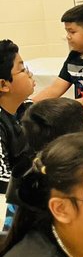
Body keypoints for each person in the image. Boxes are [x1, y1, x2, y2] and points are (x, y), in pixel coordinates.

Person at [0, 38, 34, 193]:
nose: (30, 74)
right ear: (3, 85)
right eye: (22, 70)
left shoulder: (25, 107)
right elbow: (1, 178)